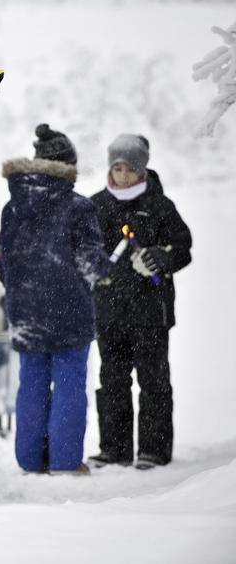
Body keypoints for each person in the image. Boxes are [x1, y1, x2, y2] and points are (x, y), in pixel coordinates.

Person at [0, 124, 111, 475]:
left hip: (25, 309)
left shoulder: (12, 206)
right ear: (68, 167)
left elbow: (6, 264)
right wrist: (106, 268)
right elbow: (91, 264)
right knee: (69, 385)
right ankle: (64, 461)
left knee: (31, 384)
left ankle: (30, 460)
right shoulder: (78, 207)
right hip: (70, 311)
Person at [89, 134, 192, 470]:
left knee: (154, 382)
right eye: (117, 168)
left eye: (129, 169)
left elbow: (183, 249)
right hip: (109, 312)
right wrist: (94, 268)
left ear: (142, 169)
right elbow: (83, 250)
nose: (122, 175)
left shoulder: (160, 205)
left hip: (151, 312)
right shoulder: (96, 205)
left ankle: (153, 450)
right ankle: (114, 450)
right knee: (113, 381)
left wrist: (162, 257)